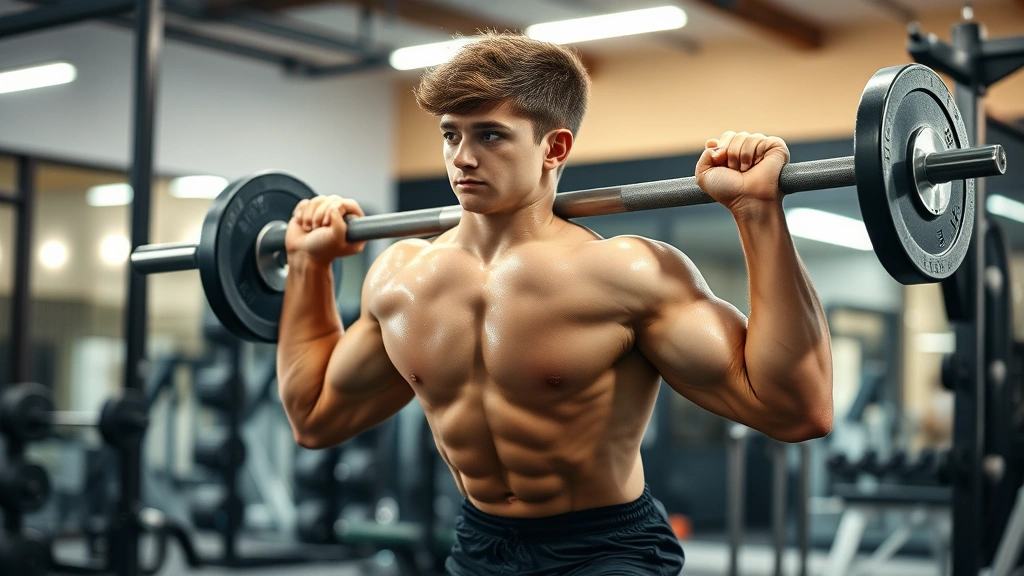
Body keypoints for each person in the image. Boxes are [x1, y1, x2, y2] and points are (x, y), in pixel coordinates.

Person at [278, 32, 833, 576]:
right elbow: (315, 418)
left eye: (490, 135)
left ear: (555, 148)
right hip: (480, 547)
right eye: (451, 135)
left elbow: (797, 410)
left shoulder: (625, 275)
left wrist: (757, 212)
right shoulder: (400, 279)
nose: (462, 158)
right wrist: (307, 266)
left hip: (605, 551)